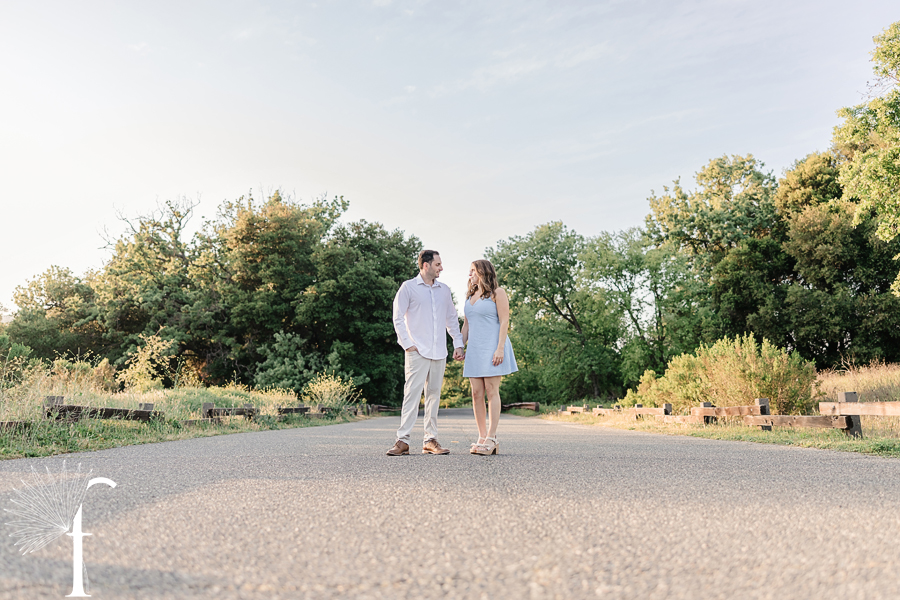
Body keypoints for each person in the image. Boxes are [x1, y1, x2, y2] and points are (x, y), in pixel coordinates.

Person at [386, 249, 465, 456]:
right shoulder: (408, 288)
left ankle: (430, 440)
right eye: (438, 264)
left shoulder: (444, 290)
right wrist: (408, 344)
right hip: (417, 351)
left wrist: (458, 344)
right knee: (411, 395)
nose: (441, 268)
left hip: (439, 352)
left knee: (433, 396)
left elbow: (451, 319)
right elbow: (397, 318)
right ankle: (402, 440)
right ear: (426, 265)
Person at [462, 259, 517, 456]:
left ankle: (492, 437)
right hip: (475, 350)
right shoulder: (469, 296)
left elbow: (504, 321)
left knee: (491, 390)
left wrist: (500, 348)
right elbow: (466, 326)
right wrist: (460, 346)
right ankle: (482, 435)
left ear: (483, 272)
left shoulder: (497, 293)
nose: (470, 275)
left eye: (473, 271)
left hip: (493, 347)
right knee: (476, 393)